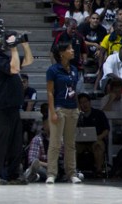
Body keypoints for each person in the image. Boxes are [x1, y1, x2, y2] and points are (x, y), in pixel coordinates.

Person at [0, 31, 33, 185]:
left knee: (15, 144)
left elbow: (29, 61)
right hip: (1, 108)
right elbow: (14, 69)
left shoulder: (5, 57)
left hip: (13, 108)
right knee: (1, 143)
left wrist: (24, 44)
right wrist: (13, 48)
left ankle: (14, 175)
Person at [46, 41, 82, 184]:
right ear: (61, 53)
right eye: (69, 48)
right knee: (55, 143)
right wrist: (52, 111)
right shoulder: (53, 70)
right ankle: (51, 173)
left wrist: (78, 108)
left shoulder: (74, 69)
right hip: (58, 108)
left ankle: (71, 173)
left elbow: (75, 90)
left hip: (72, 109)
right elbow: (49, 92)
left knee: (70, 144)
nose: (72, 50)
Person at [76, 93, 109, 176]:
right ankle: (73, 170)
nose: (84, 104)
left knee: (98, 146)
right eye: (81, 103)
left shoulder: (99, 113)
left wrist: (99, 137)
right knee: (72, 147)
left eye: (85, 102)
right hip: (80, 142)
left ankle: (99, 170)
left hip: (96, 140)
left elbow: (106, 129)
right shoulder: (77, 116)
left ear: (89, 102)